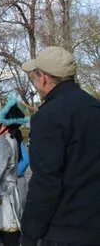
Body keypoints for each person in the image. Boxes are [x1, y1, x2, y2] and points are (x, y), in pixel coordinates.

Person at [21, 46, 100, 246]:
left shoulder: (48, 116)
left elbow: (45, 182)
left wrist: (28, 236)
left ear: (44, 78)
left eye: (34, 77)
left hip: (66, 230)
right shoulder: (94, 107)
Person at [0, 96, 28, 246]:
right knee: (7, 231)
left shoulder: (3, 141)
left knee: (8, 232)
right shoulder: (9, 138)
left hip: (1, 192)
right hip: (5, 190)